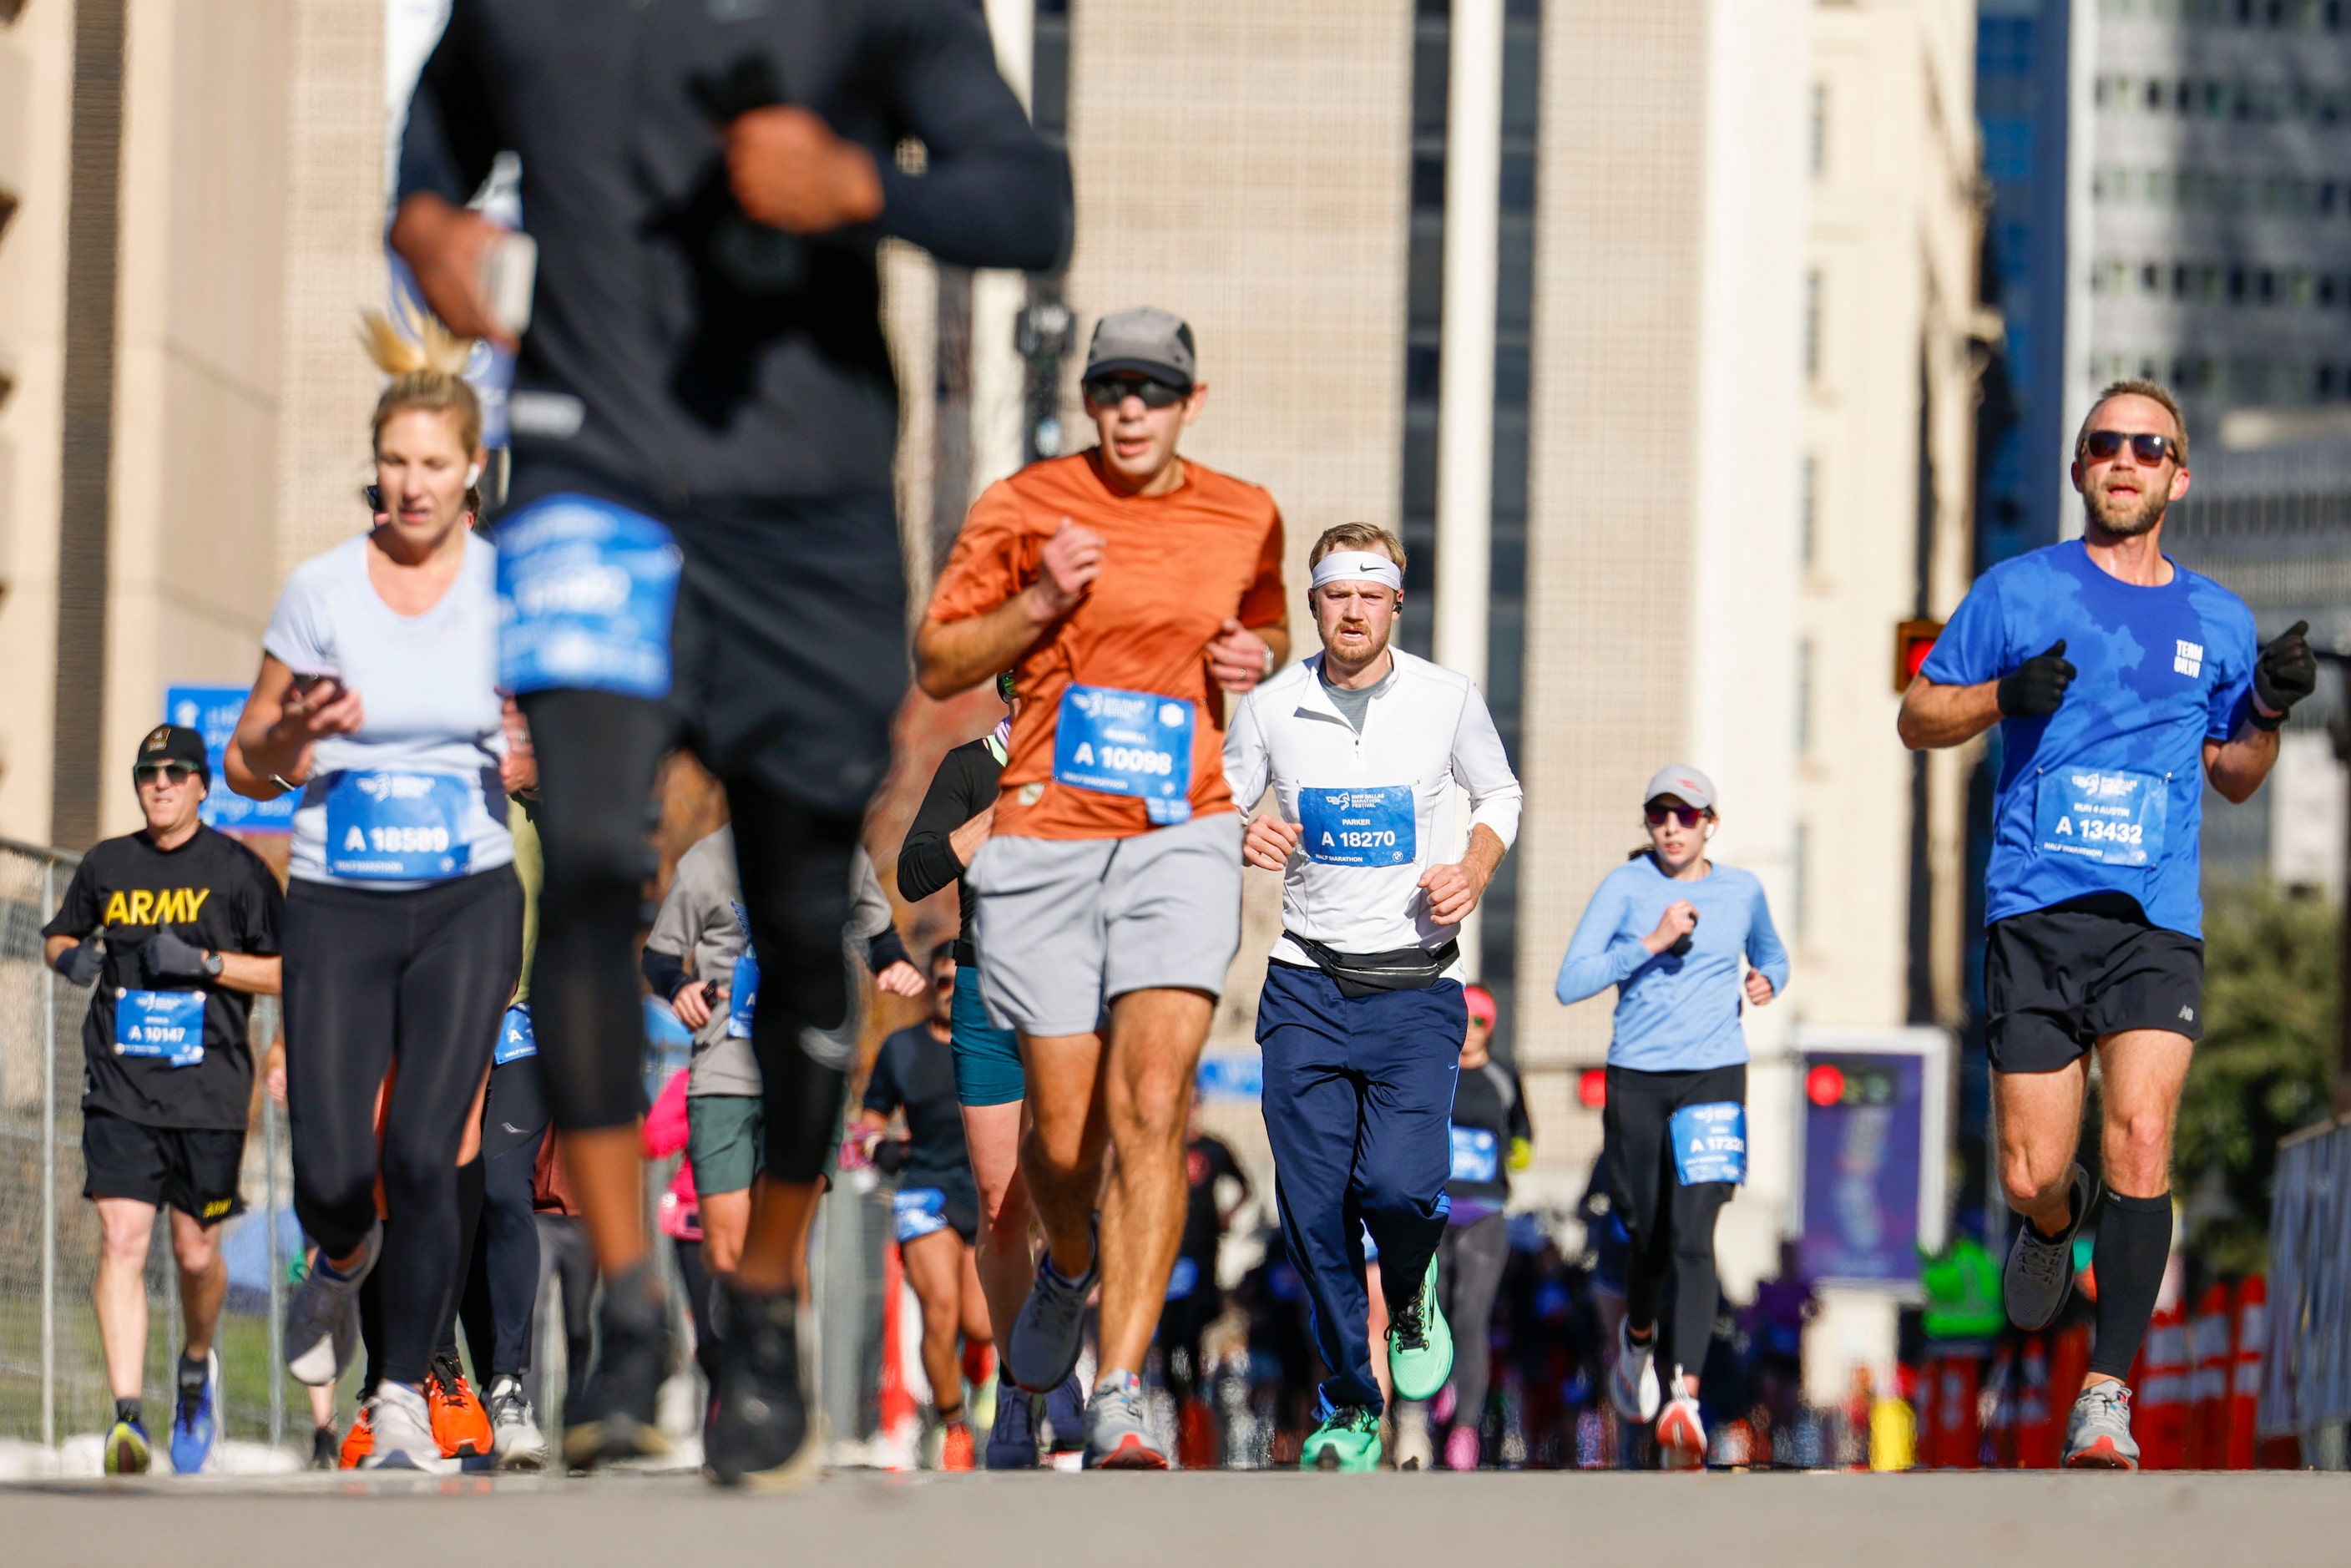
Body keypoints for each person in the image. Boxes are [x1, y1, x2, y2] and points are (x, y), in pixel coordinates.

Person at [387, 0, 1071, 1487]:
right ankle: (633, 1307)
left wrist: (865, 191)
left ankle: (756, 1307)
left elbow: (1029, 195)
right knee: (584, 859)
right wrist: (429, 233)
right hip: (590, 476)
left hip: (805, 517)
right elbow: (431, 156)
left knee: (796, 900)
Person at [1897, 378, 2311, 1469]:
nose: (2125, 460)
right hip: (2036, 911)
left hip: (2154, 920)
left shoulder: (2217, 618)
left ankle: (2107, 1391)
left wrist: (2265, 708)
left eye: (2150, 446)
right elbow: (1919, 713)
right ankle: (2048, 1223)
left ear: (2180, 474)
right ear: (2082, 468)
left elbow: (2234, 777)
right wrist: (2002, 696)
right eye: (2104, 444)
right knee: (2036, 1167)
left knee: (2141, 1135)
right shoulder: (2017, 591)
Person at [916, 306, 1289, 1468]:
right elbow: (937, 659)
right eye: (1115, 388)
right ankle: (1068, 1266)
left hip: (1183, 827)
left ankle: (1121, 1387)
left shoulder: (1244, 513)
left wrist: (1257, 658)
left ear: (1192, 402)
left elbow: (1266, 622)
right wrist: (1035, 607)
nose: (1134, 408)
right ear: (1089, 399)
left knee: (1156, 1103)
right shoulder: (1022, 507)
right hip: (1046, 839)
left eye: (1157, 390)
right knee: (1066, 1140)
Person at [225, 316, 523, 1472]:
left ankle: (402, 1393)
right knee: (334, 1173)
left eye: (435, 464)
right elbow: (251, 758)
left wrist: (544, 756)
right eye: (395, 461)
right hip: (341, 898)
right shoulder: (321, 591)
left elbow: (566, 733)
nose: (412, 483)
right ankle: (338, 1266)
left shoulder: (508, 590)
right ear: (375, 462)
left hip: (465, 896)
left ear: (471, 470)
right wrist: (285, 733)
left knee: (424, 1149)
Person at [1224, 522, 1522, 1472]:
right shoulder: (1271, 708)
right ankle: (1352, 1404)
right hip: (1306, 981)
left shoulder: (1445, 700)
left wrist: (1472, 869)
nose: (1351, 610)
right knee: (1311, 1212)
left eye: (1369, 593)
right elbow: (1215, 796)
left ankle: (1412, 1283)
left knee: (1395, 1187)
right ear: (1313, 604)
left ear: (1395, 602)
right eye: (1333, 594)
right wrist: (1243, 830)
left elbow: (1498, 795)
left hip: (1415, 986)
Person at [41, 724, 284, 1476]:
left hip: (209, 1091)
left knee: (197, 1249)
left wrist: (206, 962)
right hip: (120, 1085)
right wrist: (73, 958)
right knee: (121, 1239)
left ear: (202, 785)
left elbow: (288, 972)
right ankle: (126, 1419)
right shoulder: (107, 864)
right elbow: (57, 935)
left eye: (177, 772)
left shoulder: (239, 871)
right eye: (149, 773)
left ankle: (194, 1368)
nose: (161, 783)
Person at [1555, 765, 1788, 1469]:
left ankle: (1683, 1393)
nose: (1672, 828)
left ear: (1710, 823)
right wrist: (1650, 943)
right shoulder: (1626, 889)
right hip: (1638, 1079)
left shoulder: (1742, 889)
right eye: (1660, 815)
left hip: (1716, 1074)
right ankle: (1638, 1340)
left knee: (1694, 1234)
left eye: (1687, 816)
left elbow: (1773, 954)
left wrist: (1766, 979)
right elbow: (1571, 982)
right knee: (1649, 1235)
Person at [897, 670, 1080, 1468]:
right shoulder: (971, 766)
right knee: (1004, 1202)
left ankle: (1075, 1367)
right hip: (986, 989)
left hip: (1075, 988)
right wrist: (997, 818)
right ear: (1009, 693)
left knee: (1071, 1189)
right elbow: (913, 875)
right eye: (1029, 688)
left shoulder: (1097, 764)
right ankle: (1016, 1385)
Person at [856, 943, 992, 1471]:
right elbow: (867, 1123)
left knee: (980, 1324)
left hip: (984, 1195)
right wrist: (876, 1147)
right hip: (924, 1191)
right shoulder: (901, 1048)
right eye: (941, 982)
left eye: (962, 984)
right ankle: (952, 1423)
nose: (950, 993)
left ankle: (980, 1372)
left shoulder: (995, 1043)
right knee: (939, 1312)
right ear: (930, 986)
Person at [1417, 984, 1531, 1471]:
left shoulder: (1504, 1078)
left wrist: (1507, 1158)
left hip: (1483, 1214)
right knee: (1432, 1314)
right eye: (1464, 1020)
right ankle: (1436, 1395)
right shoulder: (1433, 1071)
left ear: (1492, 1026)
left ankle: (1465, 1427)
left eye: (1480, 1022)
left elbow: (1524, 1138)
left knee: (1471, 1317)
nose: (1471, 1032)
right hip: (1433, 1212)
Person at [1159, 1108, 1249, 1468]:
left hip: (1202, 1254)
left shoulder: (1214, 1148)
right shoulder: (1160, 1145)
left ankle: (1196, 1406)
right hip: (1165, 1256)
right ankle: (1177, 1407)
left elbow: (1244, 1186)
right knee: (1169, 1337)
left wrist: (1227, 1214)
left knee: (1196, 1333)